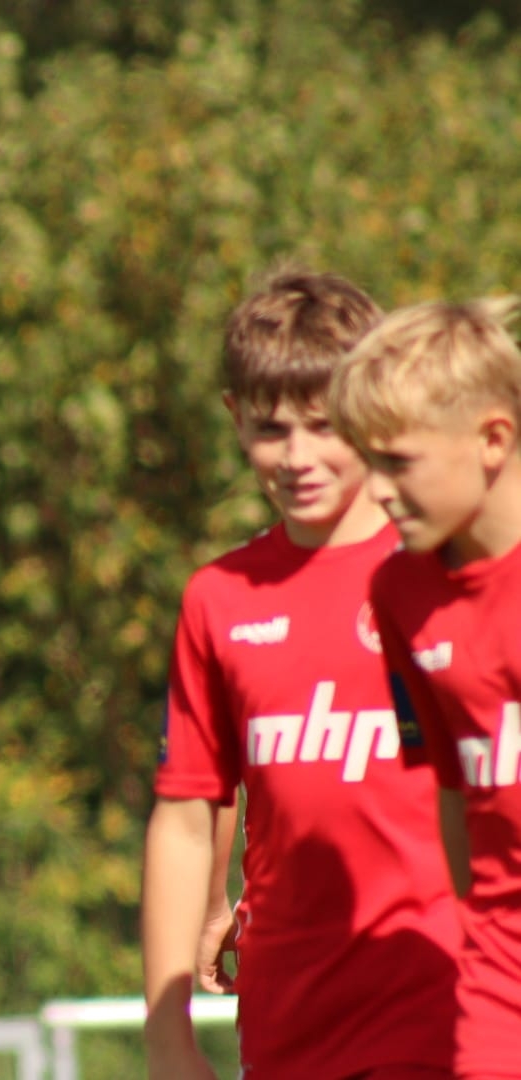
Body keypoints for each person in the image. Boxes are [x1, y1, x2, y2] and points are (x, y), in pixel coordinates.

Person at [141, 271, 461, 1080]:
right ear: (234, 417)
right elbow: (188, 815)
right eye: (271, 428)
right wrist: (168, 1038)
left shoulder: (450, 574)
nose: (298, 457)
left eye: (324, 426)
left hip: (448, 1005)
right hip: (291, 1021)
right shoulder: (219, 598)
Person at [330, 297, 521, 1080]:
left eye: (397, 462)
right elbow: (453, 790)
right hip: (500, 990)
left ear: (492, 440)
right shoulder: (399, 592)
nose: (375, 490)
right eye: (365, 462)